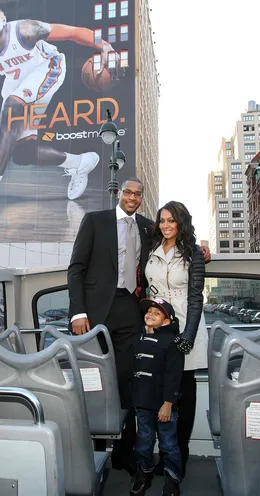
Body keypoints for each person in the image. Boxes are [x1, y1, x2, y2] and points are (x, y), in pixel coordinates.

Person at [0, 6, 119, 225]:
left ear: (4, 21)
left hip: (48, 67)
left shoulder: (26, 30)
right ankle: (81, 162)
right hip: (17, 81)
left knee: (11, 107)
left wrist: (103, 44)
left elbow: (71, 32)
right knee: (22, 153)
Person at [68, 177, 153, 475]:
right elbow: (76, 267)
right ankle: (89, 451)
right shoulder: (94, 220)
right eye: (128, 192)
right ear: (119, 193)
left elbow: (173, 240)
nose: (132, 197)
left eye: (137, 194)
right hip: (94, 313)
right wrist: (78, 312)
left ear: (141, 198)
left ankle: (123, 453)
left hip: (130, 308)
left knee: (129, 379)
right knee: (93, 382)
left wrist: (200, 247)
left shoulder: (146, 226)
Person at [145, 201, 208, 477]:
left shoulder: (193, 252)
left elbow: (196, 298)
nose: (166, 225)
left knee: (184, 393)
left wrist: (189, 336)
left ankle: (179, 456)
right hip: (158, 327)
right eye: (162, 220)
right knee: (162, 393)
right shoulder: (151, 250)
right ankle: (166, 454)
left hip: (186, 325)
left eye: (171, 220)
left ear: (181, 222)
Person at [131, 297, 184, 496]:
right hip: (142, 402)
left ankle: (173, 480)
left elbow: (174, 375)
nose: (150, 314)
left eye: (157, 313)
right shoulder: (138, 339)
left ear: (167, 321)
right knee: (143, 442)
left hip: (164, 404)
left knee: (169, 444)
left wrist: (168, 403)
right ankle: (144, 473)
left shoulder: (172, 342)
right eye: (149, 311)